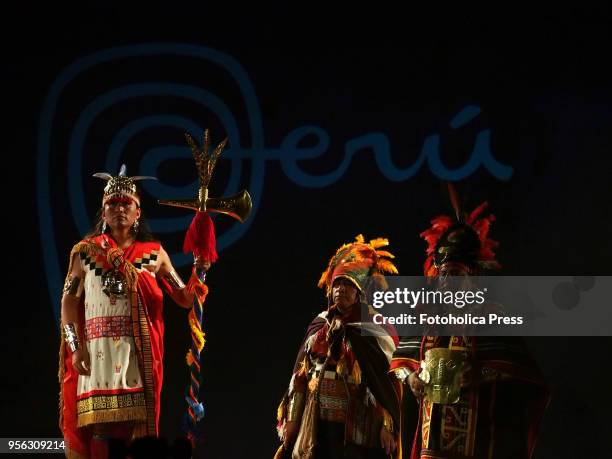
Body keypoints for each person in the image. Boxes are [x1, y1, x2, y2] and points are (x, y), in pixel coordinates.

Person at [59, 165, 209, 459]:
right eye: (112, 204)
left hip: (136, 355)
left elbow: (184, 298)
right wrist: (76, 348)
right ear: (103, 213)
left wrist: (200, 269)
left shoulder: (155, 254)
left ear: (138, 212)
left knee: (133, 431)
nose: (119, 209)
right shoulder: (85, 252)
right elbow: (68, 303)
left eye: (126, 203)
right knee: (100, 428)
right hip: (96, 353)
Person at [390, 199, 549, 459]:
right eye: (442, 274)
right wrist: (410, 379)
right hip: (433, 436)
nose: (446, 281)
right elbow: (403, 363)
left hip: (479, 435)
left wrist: (480, 374)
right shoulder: (427, 315)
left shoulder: (491, 315)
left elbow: (517, 369)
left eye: (454, 274)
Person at [275, 235, 402, 459]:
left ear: (359, 293)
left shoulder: (374, 328)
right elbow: (300, 377)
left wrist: (388, 425)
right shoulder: (319, 326)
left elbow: (387, 383)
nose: (341, 290)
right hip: (317, 427)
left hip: (358, 430)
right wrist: (292, 421)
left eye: (348, 285)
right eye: (338, 284)